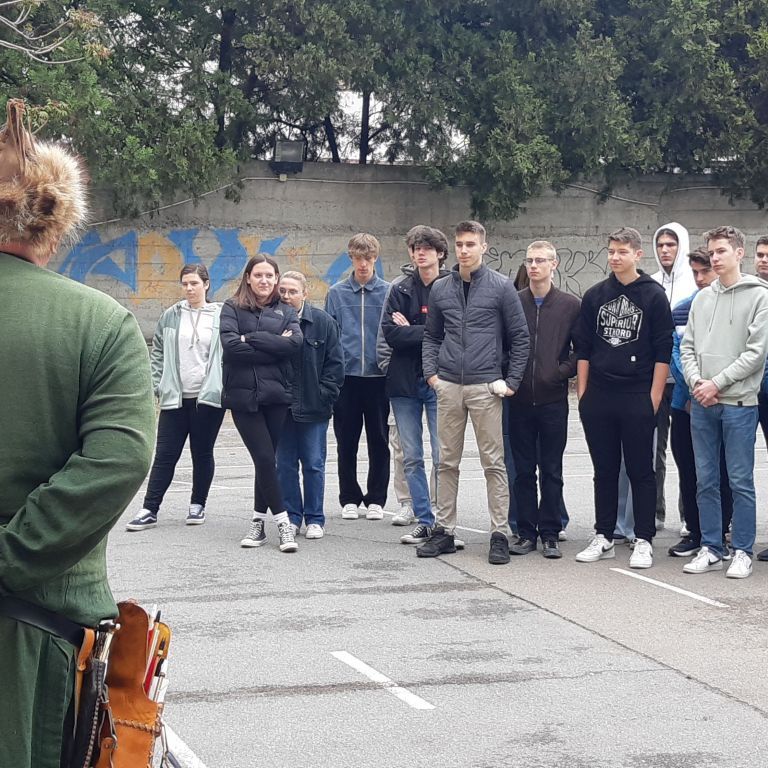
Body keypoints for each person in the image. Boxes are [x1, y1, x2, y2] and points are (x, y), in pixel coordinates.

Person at [0, 99, 155, 768]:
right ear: (56, 222)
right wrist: (12, 556)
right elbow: (119, 458)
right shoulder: (100, 323)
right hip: (39, 632)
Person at [417, 220, 530, 564]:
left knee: (493, 463)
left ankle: (499, 534)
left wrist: (511, 382)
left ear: (484, 247)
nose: (464, 250)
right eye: (460, 244)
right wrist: (432, 375)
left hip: (486, 387)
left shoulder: (501, 287)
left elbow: (520, 337)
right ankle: (444, 531)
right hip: (449, 385)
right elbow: (432, 336)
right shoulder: (440, 288)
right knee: (446, 462)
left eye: (470, 244)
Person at [575, 227, 673, 569]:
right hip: (600, 395)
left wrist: (653, 399)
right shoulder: (595, 295)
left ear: (637, 255)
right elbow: (583, 348)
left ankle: (643, 539)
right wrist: (583, 395)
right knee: (604, 470)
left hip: (637, 395)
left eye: (622, 251)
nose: (615, 257)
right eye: (611, 251)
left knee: (640, 470)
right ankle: (603, 534)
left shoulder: (653, 295)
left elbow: (663, 350)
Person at [680, 226, 768, 578]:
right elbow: (687, 346)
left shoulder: (760, 296)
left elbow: (755, 354)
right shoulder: (702, 299)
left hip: (739, 404)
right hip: (703, 402)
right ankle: (711, 547)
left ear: (739, 253)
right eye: (712, 252)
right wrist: (697, 383)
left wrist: (717, 383)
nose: (714, 258)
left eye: (721, 251)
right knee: (706, 480)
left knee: (740, 480)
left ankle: (742, 550)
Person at [126, 264, 225, 530]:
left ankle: (197, 505)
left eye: (194, 283)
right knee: (165, 455)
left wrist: (221, 385)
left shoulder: (221, 315)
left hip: (207, 399)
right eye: (185, 284)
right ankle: (149, 509)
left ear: (206, 284)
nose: (189, 288)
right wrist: (158, 385)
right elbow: (157, 352)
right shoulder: (171, 315)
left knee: (202, 453)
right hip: (175, 398)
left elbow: (227, 353)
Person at [220, 255, 302, 552]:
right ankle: (283, 522)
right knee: (266, 458)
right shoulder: (231, 307)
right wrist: (273, 343)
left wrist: (250, 338)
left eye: (269, 275)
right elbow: (230, 346)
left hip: (276, 396)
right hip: (242, 397)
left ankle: (258, 522)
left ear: (276, 278)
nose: (264, 280)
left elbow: (294, 345)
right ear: (248, 278)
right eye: (258, 275)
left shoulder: (286, 310)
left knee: (263, 461)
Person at [507, 241, 580, 559]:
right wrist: (512, 376)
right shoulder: (514, 302)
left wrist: (558, 372)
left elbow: (581, 350)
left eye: (540, 260)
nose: (534, 266)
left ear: (554, 264)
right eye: (530, 261)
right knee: (523, 471)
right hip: (519, 399)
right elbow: (502, 344)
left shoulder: (570, 305)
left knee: (551, 469)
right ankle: (526, 533)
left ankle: (550, 533)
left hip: (553, 400)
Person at [382, 225, 450, 545]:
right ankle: (424, 519)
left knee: (442, 456)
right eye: (415, 248)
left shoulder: (452, 288)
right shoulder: (400, 289)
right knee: (411, 456)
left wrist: (414, 329)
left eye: (426, 248)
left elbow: (454, 333)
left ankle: (443, 520)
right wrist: (430, 332)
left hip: (440, 381)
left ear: (440, 253)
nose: (420, 253)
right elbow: (391, 334)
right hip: (404, 383)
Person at [667, 247, 733, 557]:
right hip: (686, 404)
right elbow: (676, 354)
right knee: (689, 469)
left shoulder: (733, 308)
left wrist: (715, 387)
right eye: (694, 272)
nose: (700, 278)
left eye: (705, 271)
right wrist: (696, 387)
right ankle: (694, 531)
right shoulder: (681, 310)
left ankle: (722, 532)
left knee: (723, 470)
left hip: (724, 400)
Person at [325, 233, 391, 520]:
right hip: (346, 379)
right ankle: (349, 497)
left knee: (379, 440)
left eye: (369, 258)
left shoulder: (389, 292)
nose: (363, 264)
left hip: (379, 378)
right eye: (358, 258)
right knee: (346, 441)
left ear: (375, 258)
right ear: (350, 258)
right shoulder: (336, 293)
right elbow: (330, 337)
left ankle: (377, 498)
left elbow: (392, 331)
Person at [275, 270, 344, 539]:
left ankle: (315, 518)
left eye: (292, 291)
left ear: (305, 293)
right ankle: (292, 517)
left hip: (314, 408)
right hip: (281, 408)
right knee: (285, 466)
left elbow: (335, 365)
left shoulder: (323, 322)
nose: (286, 296)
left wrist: (324, 394)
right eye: (282, 291)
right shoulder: (270, 320)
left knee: (314, 464)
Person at [650, 222, 694, 531]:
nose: (665, 250)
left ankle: (688, 515)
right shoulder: (650, 283)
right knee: (654, 451)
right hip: (654, 381)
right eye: (661, 244)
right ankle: (655, 512)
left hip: (685, 384)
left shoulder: (696, 282)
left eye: (671, 244)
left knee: (687, 452)